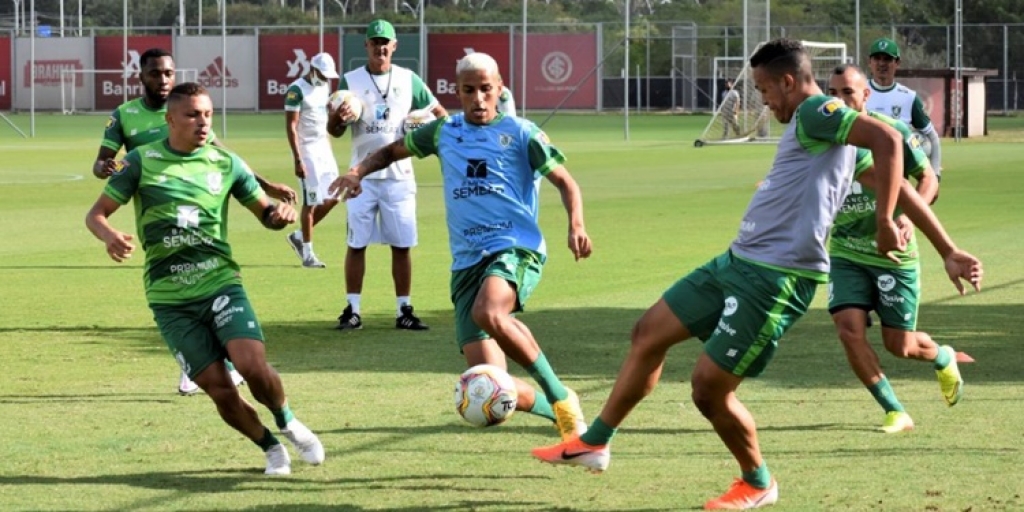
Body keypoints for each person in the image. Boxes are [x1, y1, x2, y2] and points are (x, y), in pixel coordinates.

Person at [530, 39, 983, 510]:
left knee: (708, 389)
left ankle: (757, 482)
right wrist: (948, 250)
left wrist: (886, 223)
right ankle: (595, 442)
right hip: (737, 261)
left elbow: (890, 143)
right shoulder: (834, 131)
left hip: (776, 279)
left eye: (764, 89)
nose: (762, 100)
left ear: (788, 81)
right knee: (648, 333)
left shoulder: (815, 112)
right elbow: (900, 184)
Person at [329, 52, 591, 442]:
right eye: (470, 91)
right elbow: (390, 152)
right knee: (491, 384)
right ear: (457, 92)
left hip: (513, 247)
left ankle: (559, 396)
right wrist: (356, 171)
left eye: (487, 89)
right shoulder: (443, 132)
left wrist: (576, 225)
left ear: (499, 88)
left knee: (490, 311)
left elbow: (566, 182)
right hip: (467, 264)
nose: (479, 99)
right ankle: (566, 418)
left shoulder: (522, 133)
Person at [85, 82, 325, 476]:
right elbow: (96, 214)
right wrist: (110, 236)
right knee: (219, 389)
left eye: (208, 114)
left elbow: (263, 211)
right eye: (193, 114)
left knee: (252, 365)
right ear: (170, 120)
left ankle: (287, 421)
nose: (203, 122)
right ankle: (270, 448)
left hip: (220, 284)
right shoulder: (141, 162)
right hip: (169, 298)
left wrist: (277, 216)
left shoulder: (225, 163)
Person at [90, 47, 298, 396]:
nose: (163, 79)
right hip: (158, 208)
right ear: (141, 76)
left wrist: (264, 184)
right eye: (155, 73)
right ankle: (198, 362)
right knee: (175, 287)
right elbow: (101, 162)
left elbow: (222, 156)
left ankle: (221, 364)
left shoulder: (191, 111)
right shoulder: (125, 115)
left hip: (201, 210)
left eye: (168, 73)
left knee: (210, 277)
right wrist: (105, 168)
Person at [827, 64, 966, 434]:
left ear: (866, 96)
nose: (839, 100)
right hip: (845, 251)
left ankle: (942, 355)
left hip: (893, 253)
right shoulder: (826, 136)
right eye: (833, 92)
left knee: (900, 345)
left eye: (848, 93)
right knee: (847, 328)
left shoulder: (895, 133)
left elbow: (928, 179)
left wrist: (905, 217)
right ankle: (894, 410)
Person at [327, 19, 447, 331]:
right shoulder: (350, 81)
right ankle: (352, 310)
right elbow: (334, 130)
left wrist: (426, 126)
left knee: (402, 244)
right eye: (375, 41)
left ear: (394, 46)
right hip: (361, 178)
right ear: (365, 45)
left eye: (386, 42)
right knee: (356, 244)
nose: (380, 47)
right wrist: (338, 119)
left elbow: (440, 115)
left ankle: (403, 309)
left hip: (400, 175)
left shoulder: (409, 80)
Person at [284, 52, 342, 268]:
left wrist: (329, 147)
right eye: (323, 73)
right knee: (311, 202)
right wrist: (298, 159)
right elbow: (291, 126)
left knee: (335, 195)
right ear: (312, 68)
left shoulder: (325, 88)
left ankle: (298, 236)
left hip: (323, 149)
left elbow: (323, 120)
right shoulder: (296, 90)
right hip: (306, 151)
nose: (326, 78)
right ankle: (308, 255)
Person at [865, 38, 943, 179]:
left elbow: (932, 137)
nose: (882, 63)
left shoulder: (909, 97)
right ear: (869, 62)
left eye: (888, 59)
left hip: (898, 179)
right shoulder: (857, 92)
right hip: (862, 176)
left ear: (897, 63)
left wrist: (935, 175)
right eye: (877, 58)